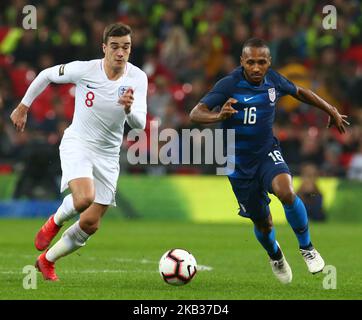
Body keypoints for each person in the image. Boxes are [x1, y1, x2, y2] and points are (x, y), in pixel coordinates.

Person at [189, 38, 349, 284]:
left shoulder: (274, 80)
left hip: (266, 153)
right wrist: (218, 115)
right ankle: (275, 254)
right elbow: (195, 113)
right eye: (250, 62)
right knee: (263, 223)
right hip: (238, 164)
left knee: (285, 191)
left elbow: (301, 93)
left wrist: (331, 109)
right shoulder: (229, 84)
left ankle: (307, 247)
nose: (255, 68)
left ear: (269, 62)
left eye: (261, 62)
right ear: (242, 61)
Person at [10, 23, 148, 281]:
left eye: (126, 47)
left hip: (108, 155)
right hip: (79, 143)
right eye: (115, 47)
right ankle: (53, 222)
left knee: (90, 224)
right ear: (104, 48)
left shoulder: (138, 77)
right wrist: (23, 106)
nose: (121, 52)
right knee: (84, 198)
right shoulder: (86, 70)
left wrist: (129, 110)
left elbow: (140, 122)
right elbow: (46, 75)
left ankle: (46, 261)